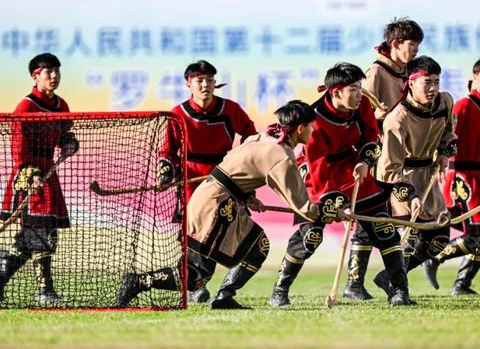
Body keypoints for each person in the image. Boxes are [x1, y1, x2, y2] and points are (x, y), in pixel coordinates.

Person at [116, 100, 324, 309]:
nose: (313, 130)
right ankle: (139, 281)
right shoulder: (282, 155)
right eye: (311, 126)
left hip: (213, 198)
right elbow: (302, 205)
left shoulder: (262, 138)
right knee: (198, 274)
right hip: (216, 206)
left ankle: (224, 297)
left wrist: (246, 194)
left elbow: (234, 163)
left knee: (252, 248)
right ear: (300, 128)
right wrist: (327, 213)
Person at [269, 63, 410, 307]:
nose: (359, 94)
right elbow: (319, 167)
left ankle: (399, 292)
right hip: (318, 174)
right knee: (311, 236)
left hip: (353, 168)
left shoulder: (362, 105)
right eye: (353, 89)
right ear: (335, 92)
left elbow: (370, 135)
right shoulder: (315, 120)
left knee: (385, 229)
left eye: (359, 87)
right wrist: (335, 208)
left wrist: (365, 161)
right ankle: (280, 290)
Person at [158, 60, 256, 303]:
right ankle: (193, 286)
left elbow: (252, 138)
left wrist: (240, 161)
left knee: (219, 230)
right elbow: (167, 153)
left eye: (210, 80)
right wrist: (166, 172)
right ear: (188, 84)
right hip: (191, 181)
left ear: (215, 83)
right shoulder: (177, 115)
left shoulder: (231, 109)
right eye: (199, 80)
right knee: (194, 233)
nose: (205, 85)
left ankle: (204, 284)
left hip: (224, 178)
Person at [345, 17, 423, 301]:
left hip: (400, 154)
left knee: (374, 219)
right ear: (395, 44)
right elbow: (362, 114)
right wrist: (376, 117)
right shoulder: (376, 73)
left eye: (417, 45)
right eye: (410, 45)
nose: (414, 50)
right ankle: (373, 284)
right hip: (379, 157)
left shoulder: (407, 73)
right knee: (376, 216)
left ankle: (357, 284)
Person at [372, 56, 456, 302]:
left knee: (439, 236)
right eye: (426, 82)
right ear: (410, 83)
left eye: (436, 82)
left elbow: (449, 132)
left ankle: (389, 276)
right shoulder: (396, 119)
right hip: (401, 177)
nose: (433, 88)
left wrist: (443, 153)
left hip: (428, 174)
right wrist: (411, 194)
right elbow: (388, 170)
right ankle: (399, 292)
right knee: (408, 236)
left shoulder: (445, 101)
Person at [423, 55, 480, 295]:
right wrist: (437, 163)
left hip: (479, 176)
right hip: (460, 174)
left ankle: (461, 284)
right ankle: (435, 257)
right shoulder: (463, 105)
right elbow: (445, 136)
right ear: (475, 77)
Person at [0, 53, 79, 303]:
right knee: (40, 232)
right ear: (36, 76)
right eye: (48, 72)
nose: (54, 76)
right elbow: (18, 148)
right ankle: (45, 291)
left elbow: (67, 133)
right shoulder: (26, 106)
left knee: (33, 237)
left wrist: (68, 144)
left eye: (57, 71)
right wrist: (30, 175)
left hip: (48, 174)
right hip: (30, 175)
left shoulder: (61, 105)